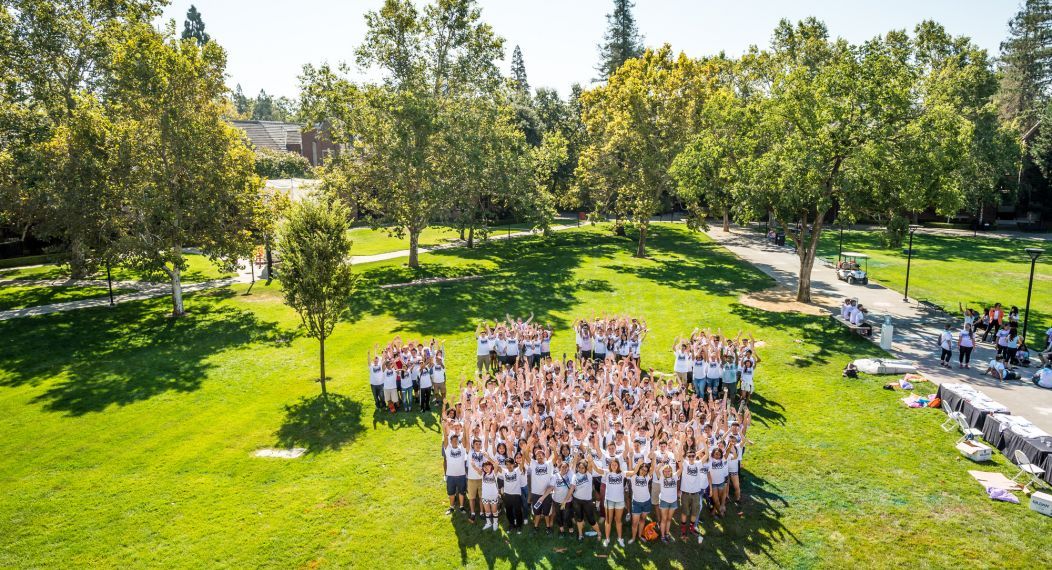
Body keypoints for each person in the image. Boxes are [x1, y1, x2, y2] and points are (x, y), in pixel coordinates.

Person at [442, 432, 468, 516]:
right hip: (450, 476)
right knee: (451, 493)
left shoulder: (462, 449)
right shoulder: (448, 449)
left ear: (458, 441)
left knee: (461, 492)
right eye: (453, 440)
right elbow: (445, 440)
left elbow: (465, 439)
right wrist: (444, 428)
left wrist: (465, 428)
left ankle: (461, 507)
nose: (454, 441)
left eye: (456, 440)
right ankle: (451, 507)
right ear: (450, 441)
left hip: (461, 475)